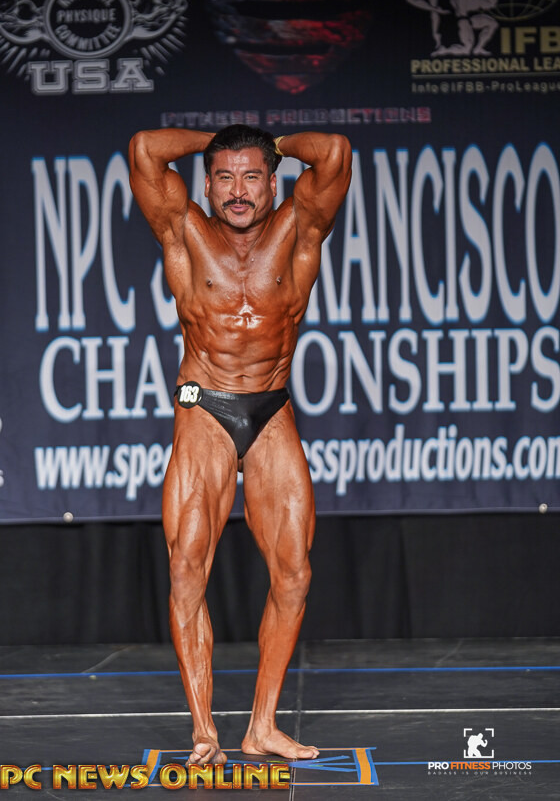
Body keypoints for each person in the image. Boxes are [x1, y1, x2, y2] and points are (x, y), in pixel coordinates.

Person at [128, 124, 352, 767]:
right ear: (206, 185)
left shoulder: (300, 227)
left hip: (271, 407)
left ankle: (262, 727)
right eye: (224, 177)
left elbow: (334, 151)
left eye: (252, 176)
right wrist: (216, 139)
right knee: (185, 566)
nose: (237, 190)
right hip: (206, 406)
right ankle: (205, 732)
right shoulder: (184, 230)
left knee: (294, 573)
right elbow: (145, 149)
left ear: (273, 181)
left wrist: (270, 140)